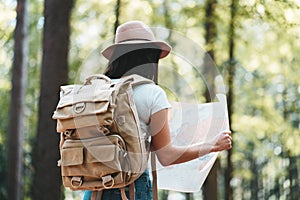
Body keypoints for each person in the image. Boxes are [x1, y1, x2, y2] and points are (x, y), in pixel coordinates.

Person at [83, 20, 232, 200]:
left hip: (93, 189)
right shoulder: (152, 93)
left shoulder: (96, 92)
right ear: (150, 57)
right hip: (131, 189)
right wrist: (213, 145)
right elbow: (166, 156)